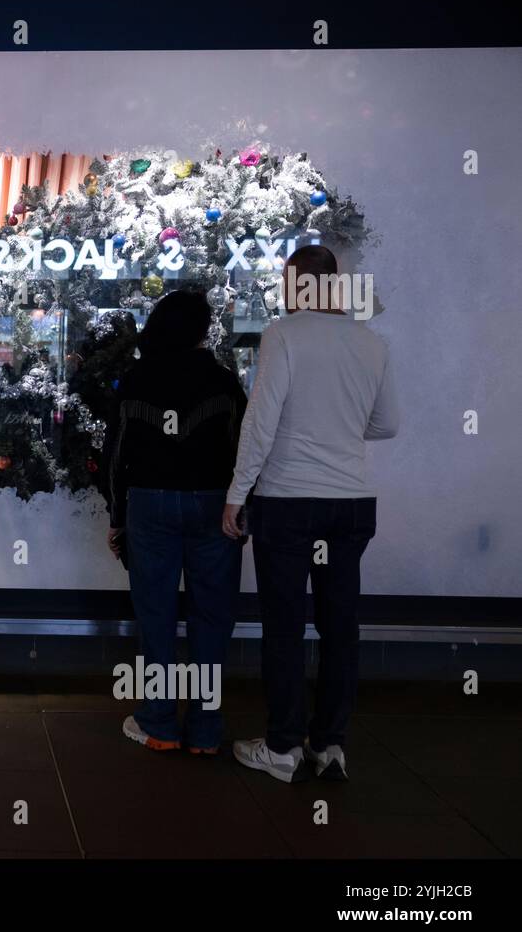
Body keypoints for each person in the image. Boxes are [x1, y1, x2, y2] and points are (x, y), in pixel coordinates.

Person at [224, 245, 398, 782]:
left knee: (285, 628)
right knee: (340, 628)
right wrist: (339, 429)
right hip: (350, 504)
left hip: (288, 501)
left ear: (297, 282)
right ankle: (329, 746)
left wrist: (237, 492)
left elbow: (261, 420)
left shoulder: (284, 335)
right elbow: (387, 424)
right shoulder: (371, 342)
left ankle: (282, 749)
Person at [105, 289, 248, 754]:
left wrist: (116, 515)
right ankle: (205, 733)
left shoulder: (137, 378)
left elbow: (116, 455)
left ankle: (159, 724)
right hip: (215, 506)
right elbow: (244, 451)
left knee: (157, 616)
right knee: (212, 618)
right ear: (204, 330)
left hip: (150, 505)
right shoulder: (225, 383)